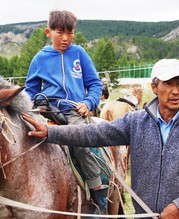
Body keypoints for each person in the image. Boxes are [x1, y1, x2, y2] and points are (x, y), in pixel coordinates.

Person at [23, 58, 179, 219]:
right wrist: (51, 133)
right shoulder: (136, 122)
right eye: (168, 83)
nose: (175, 90)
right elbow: (92, 133)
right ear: (154, 87)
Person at [24, 10, 106, 214]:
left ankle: (97, 194)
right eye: (60, 32)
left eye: (70, 33)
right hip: (46, 109)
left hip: (73, 110)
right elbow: (30, 89)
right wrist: (33, 103)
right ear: (48, 32)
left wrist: (88, 102)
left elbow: (95, 84)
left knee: (80, 141)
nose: (65, 38)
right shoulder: (40, 58)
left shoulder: (79, 54)